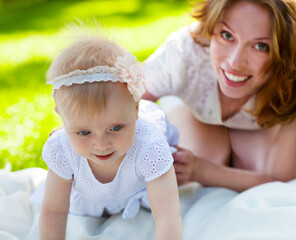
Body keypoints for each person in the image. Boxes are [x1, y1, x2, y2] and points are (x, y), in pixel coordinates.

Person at [38, 30, 182, 239]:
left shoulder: (150, 146)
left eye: (115, 128)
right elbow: (53, 212)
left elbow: (167, 216)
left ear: (135, 109)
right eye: (84, 132)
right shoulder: (63, 149)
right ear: (61, 118)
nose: (101, 144)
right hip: (95, 196)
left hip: (147, 184)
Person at [142, 0, 296, 193]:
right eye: (226, 35)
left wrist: (200, 169)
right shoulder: (184, 54)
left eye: (260, 46)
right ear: (210, 30)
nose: (235, 62)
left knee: (261, 177)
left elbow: (278, 182)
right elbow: (123, 104)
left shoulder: (290, 83)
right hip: (192, 108)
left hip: (258, 121)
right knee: (205, 160)